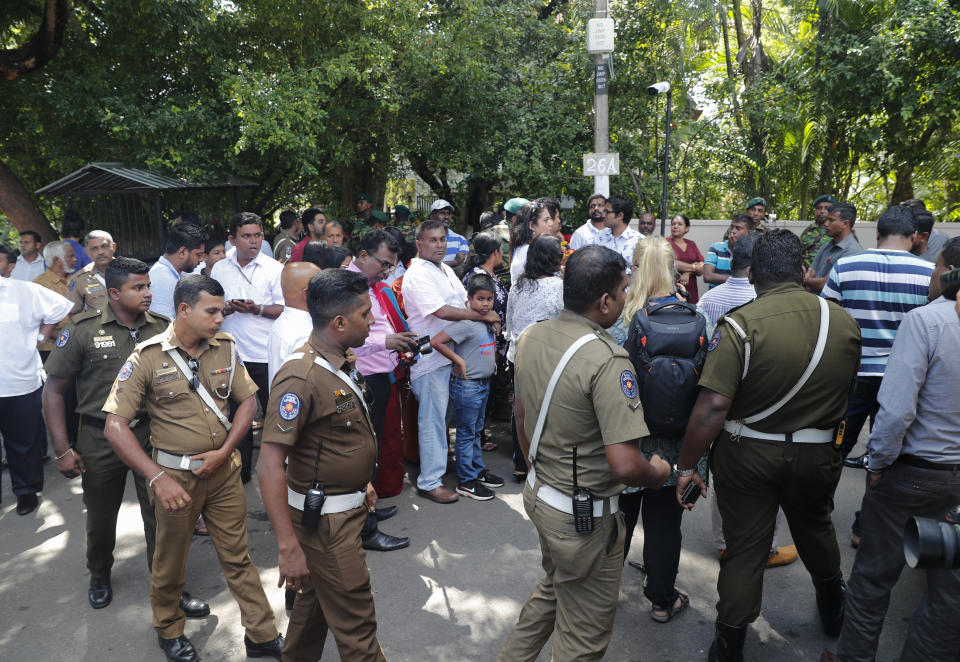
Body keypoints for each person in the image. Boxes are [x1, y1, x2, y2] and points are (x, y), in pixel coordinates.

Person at [673, 230, 862, 662]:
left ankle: (730, 644)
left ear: (754, 273)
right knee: (815, 526)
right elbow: (847, 393)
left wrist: (688, 467)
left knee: (744, 549)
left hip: (748, 455)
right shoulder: (843, 321)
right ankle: (834, 608)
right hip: (818, 455)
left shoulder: (740, 325)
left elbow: (711, 408)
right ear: (803, 272)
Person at [496, 245, 671, 662]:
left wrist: (540, 469)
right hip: (584, 517)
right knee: (583, 640)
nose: (627, 297)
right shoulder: (608, 359)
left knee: (554, 588)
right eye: (624, 290)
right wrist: (660, 472)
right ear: (605, 300)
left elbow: (521, 417)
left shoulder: (533, 335)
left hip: (542, 495)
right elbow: (627, 465)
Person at [102, 275, 284, 662]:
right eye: (212, 311)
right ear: (184, 310)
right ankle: (168, 628)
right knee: (170, 560)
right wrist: (157, 478)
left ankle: (262, 633)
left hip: (222, 474)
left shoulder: (225, 348)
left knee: (238, 556)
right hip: (175, 480)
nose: (221, 318)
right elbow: (115, 426)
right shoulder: (148, 357)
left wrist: (226, 451)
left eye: (222, 310)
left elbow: (248, 402)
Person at [42, 257, 209, 616]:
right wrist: (62, 449)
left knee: (163, 513)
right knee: (101, 514)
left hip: (153, 434)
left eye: (148, 285)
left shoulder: (163, 328)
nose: (148, 293)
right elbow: (54, 390)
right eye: (139, 287)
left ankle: (168, 585)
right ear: (114, 293)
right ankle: (99, 573)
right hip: (100, 437)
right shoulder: (83, 329)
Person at [824, 267, 960, 662]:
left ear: (949, 273)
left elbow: (897, 409)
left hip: (915, 473)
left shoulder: (928, 321)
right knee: (948, 596)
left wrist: (878, 464)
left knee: (873, 580)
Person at [257, 269, 388, 662]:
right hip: (326, 528)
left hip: (342, 511)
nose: (374, 321)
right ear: (340, 322)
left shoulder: (340, 359)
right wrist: (287, 547)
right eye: (367, 314)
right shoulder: (301, 377)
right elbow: (268, 464)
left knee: (310, 621)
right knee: (358, 630)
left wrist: (360, 481)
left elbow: (334, 438)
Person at [820, 205, 933, 547]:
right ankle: (865, 526)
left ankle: (818, 514)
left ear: (877, 233)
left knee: (833, 446)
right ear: (914, 237)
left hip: (852, 374)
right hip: (901, 380)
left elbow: (828, 317)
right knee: (887, 453)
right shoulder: (928, 272)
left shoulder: (847, 265)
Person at [694, 235, 799, 568]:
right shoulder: (781, 302)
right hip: (770, 404)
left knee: (723, 473)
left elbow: (699, 351)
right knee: (772, 480)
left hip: (720, 399)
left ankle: (724, 543)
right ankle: (765, 546)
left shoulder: (710, 299)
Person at [620, 236, 709, 623]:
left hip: (626, 440)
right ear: (674, 270)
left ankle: (602, 594)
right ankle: (661, 599)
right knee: (665, 525)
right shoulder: (696, 317)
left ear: (636, 268)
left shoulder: (619, 319)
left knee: (619, 520)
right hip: (675, 446)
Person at [401, 219, 501, 503]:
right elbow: (443, 312)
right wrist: (484, 316)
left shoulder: (444, 268)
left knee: (450, 420)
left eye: (443, 239)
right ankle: (430, 481)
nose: (440, 244)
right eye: (433, 240)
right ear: (419, 244)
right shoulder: (417, 274)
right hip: (432, 358)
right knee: (433, 420)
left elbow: (462, 305)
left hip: (452, 356)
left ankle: (461, 471)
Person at [347, 229, 417, 550]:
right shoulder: (347, 287)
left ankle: (370, 507)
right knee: (364, 453)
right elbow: (348, 338)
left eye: (391, 265)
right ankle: (366, 530)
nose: (388, 271)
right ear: (363, 256)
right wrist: (388, 341)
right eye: (384, 264)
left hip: (382, 373)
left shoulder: (370, 285)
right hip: (365, 377)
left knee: (374, 449)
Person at [210, 212, 284, 483]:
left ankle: (278, 470)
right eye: (246, 236)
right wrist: (225, 309)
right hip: (230, 355)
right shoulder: (220, 268)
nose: (253, 241)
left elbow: (285, 309)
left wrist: (257, 308)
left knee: (275, 415)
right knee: (234, 418)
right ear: (232, 240)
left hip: (265, 355)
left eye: (258, 235)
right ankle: (240, 472)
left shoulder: (274, 268)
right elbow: (211, 305)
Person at [0, 275, 73, 514]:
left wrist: (40, 336)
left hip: (18, 381)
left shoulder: (22, 290)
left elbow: (60, 306)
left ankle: (26, 491)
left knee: (23, 441)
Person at [429, 272, 504, 500]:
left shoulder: (487, 320)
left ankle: (476, 470)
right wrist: (458, 360)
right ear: (469, 299)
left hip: (482, 384)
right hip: (467, 386)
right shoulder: (466, 323)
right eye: (480, 299)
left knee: (476, 430)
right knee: (465, 433)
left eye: (489, 299)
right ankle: (466, 481)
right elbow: (436, 341)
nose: (485, 304)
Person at [505, 235, 564, 482]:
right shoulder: (558, 287)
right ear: (554, 259)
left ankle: (523, 465)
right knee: (547, 415)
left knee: (521, 411)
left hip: (517, 355)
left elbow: (509, 321)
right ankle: (545, 471)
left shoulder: (518, 285)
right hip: (545, 359)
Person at [149, 224, 208, 319]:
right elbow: (164, 325)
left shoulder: (176, 273)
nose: (201, 259)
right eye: (198, 254)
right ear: (182, 252)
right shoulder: (162, 279)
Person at [804, 203, 862, 293]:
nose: (826, 224)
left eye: (831, 220)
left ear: (845, 224)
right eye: (826, 219)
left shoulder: (852, 251)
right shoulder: (826, 246)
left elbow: (824, 284)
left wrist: (805, 280)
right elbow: (811, 271)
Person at [32, 240, 77, 357]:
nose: (75, 259)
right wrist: (66, 339)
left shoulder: (77, 280)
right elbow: (37, 322)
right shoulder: (39, 285)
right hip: (50, 350)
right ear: (57, 260)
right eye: (70, 256)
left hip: (78, 346)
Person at [509, 197, 559, 282]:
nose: (551, 223)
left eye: (551, 219)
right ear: (532, 225)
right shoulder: (528, 251)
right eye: (546, 220)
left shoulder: (527, 248)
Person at [67, 230, 117, 313]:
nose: (100, 252)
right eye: (94, 249)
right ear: (87, 252)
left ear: (114, 247)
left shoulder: (131, 271)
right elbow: (73, 313)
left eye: (104, 246)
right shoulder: (79, 278)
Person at [703, 215, 752, 289]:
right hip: (716, 298)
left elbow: (754, 279)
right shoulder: (716, 248)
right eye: (732, 227)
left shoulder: (752, 251)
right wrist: (738, 279)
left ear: (749, 233)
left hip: (742, 297)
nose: (733, 231)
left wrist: (738, 248)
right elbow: (707, 276)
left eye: (738, 228)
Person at [667, 214, 705, 304]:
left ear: (687, 228)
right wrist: (694, 267)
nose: (676, 226)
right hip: (672, 288)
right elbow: (669, 263)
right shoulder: (666, 243)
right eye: (673, 224)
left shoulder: (691, 244)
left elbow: (702, 267)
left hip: (691, 289)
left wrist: (688, 273)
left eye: (679, 224)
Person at [596, 194, 643, 267]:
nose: (603, 215)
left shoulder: (639, 241)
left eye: (606, 212)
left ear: (620, 215)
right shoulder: (599, 236)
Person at [426, 199, 469, 267]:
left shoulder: (460, 240)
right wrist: (455, 262)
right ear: (432, 216)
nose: (446, 217)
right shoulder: (424, 240)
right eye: (442, 213)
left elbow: (465, 265)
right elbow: (426, 267)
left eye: (448, 213)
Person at [800, 194, 837, 268]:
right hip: (808, 277)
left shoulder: (839, 231)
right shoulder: (807, 232)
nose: (822, 211)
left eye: (827, 208)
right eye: (819, 208)